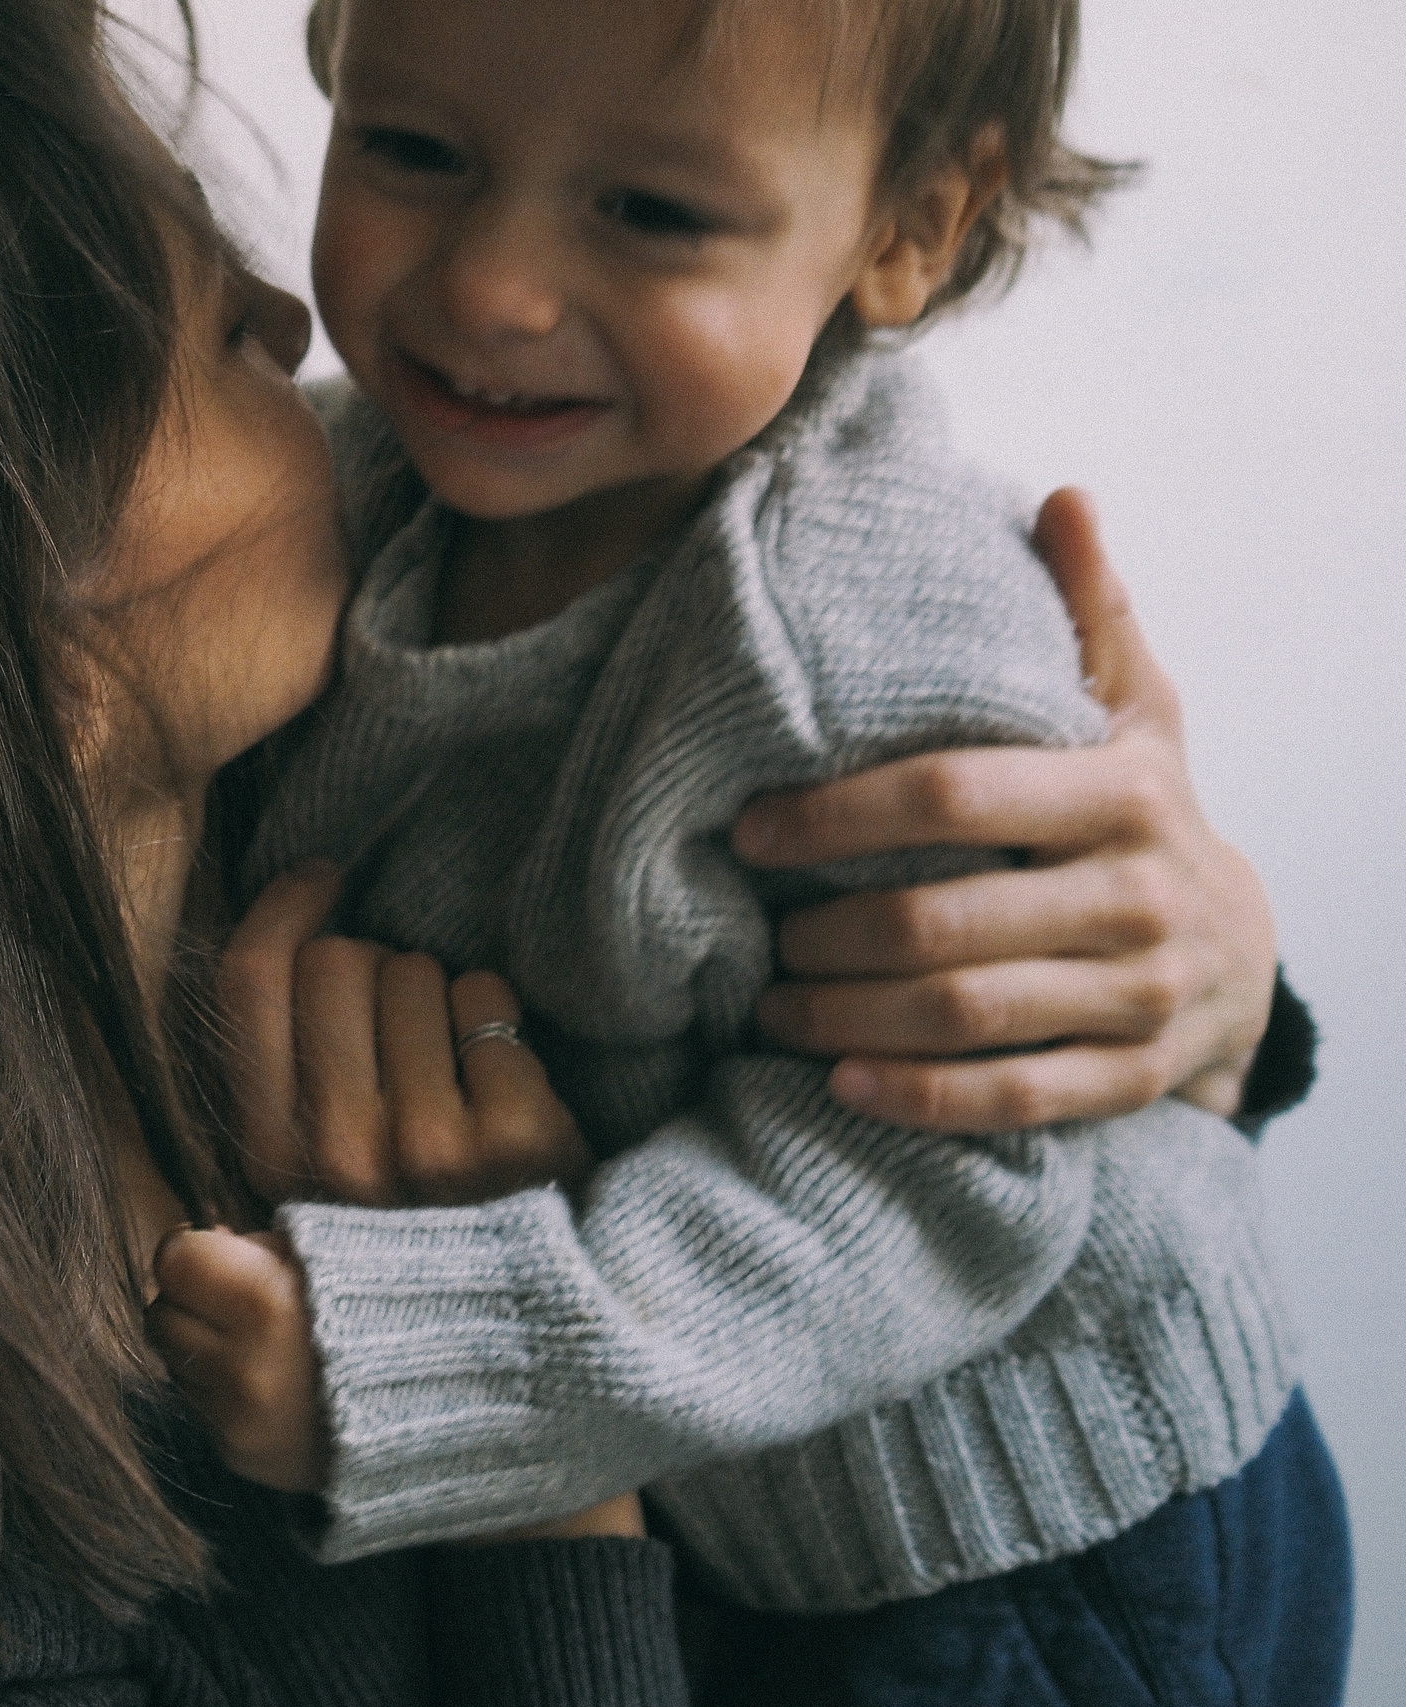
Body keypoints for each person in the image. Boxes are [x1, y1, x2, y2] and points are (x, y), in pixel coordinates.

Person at [0, 0, 1308, 1702]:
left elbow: (858, 1059)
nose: (302, 319)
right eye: (172, 323)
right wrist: (536, 1499)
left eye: (644, 209)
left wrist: (1173, 996)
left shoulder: (280, 841)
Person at [148, 0, 1348, 1699]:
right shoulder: (358, 479)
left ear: (911, 228)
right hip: (729, 1493)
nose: (489, 285)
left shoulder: (851, 635)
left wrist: (426, 1364)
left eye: (649, 213)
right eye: (416, 151)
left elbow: (944, 1181)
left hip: (1021, 1540)